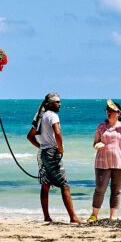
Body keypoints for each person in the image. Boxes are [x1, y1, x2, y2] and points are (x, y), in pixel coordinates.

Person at [27, 93, 82, 223]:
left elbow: (30, 136)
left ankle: (46, 217)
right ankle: (73, 218)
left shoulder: (40, 117)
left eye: (59, 102)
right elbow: (57, 132)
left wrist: (41, 146)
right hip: (52, 153)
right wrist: (60, 148)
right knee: (65, 185)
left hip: (42, 154)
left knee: (45, 185)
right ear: (49, 104)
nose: (60, 104)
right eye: (57, 102)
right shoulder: (52, 116)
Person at [89, 99, 121, 222]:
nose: (108, 113)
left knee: (116, 191)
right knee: (99, 189)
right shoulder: (101, 127)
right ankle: (94, 215)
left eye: (111, 111)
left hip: (120, 163)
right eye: (107, 110)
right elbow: (95, 143)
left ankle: (113, 217)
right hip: (102, 163)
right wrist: (98, 145)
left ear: (118, 113)